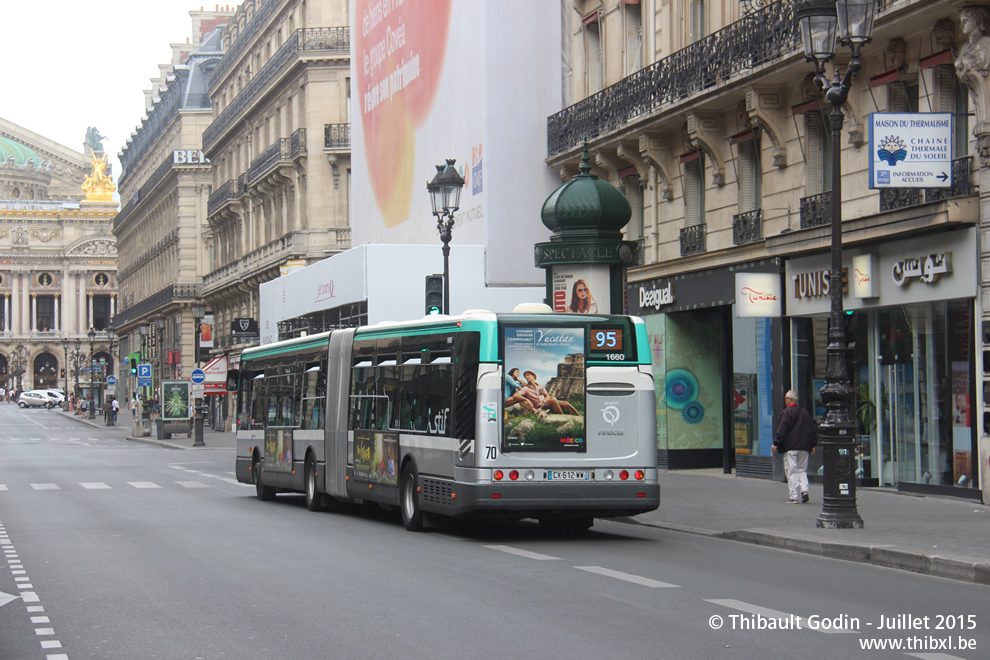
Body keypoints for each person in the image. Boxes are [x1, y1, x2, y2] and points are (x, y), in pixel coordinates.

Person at [772, 389, 817, 504]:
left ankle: (794, 496)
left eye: (786, 398)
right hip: (804, 447)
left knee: (792, 471)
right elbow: (812, 430)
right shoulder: (805, 413)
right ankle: (805, 490)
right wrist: (812, 444)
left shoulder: (786, 413)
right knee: (802, 469)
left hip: (791, 447)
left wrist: (776, 443)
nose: (785, 400)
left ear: (790, 400)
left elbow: (782, 430)